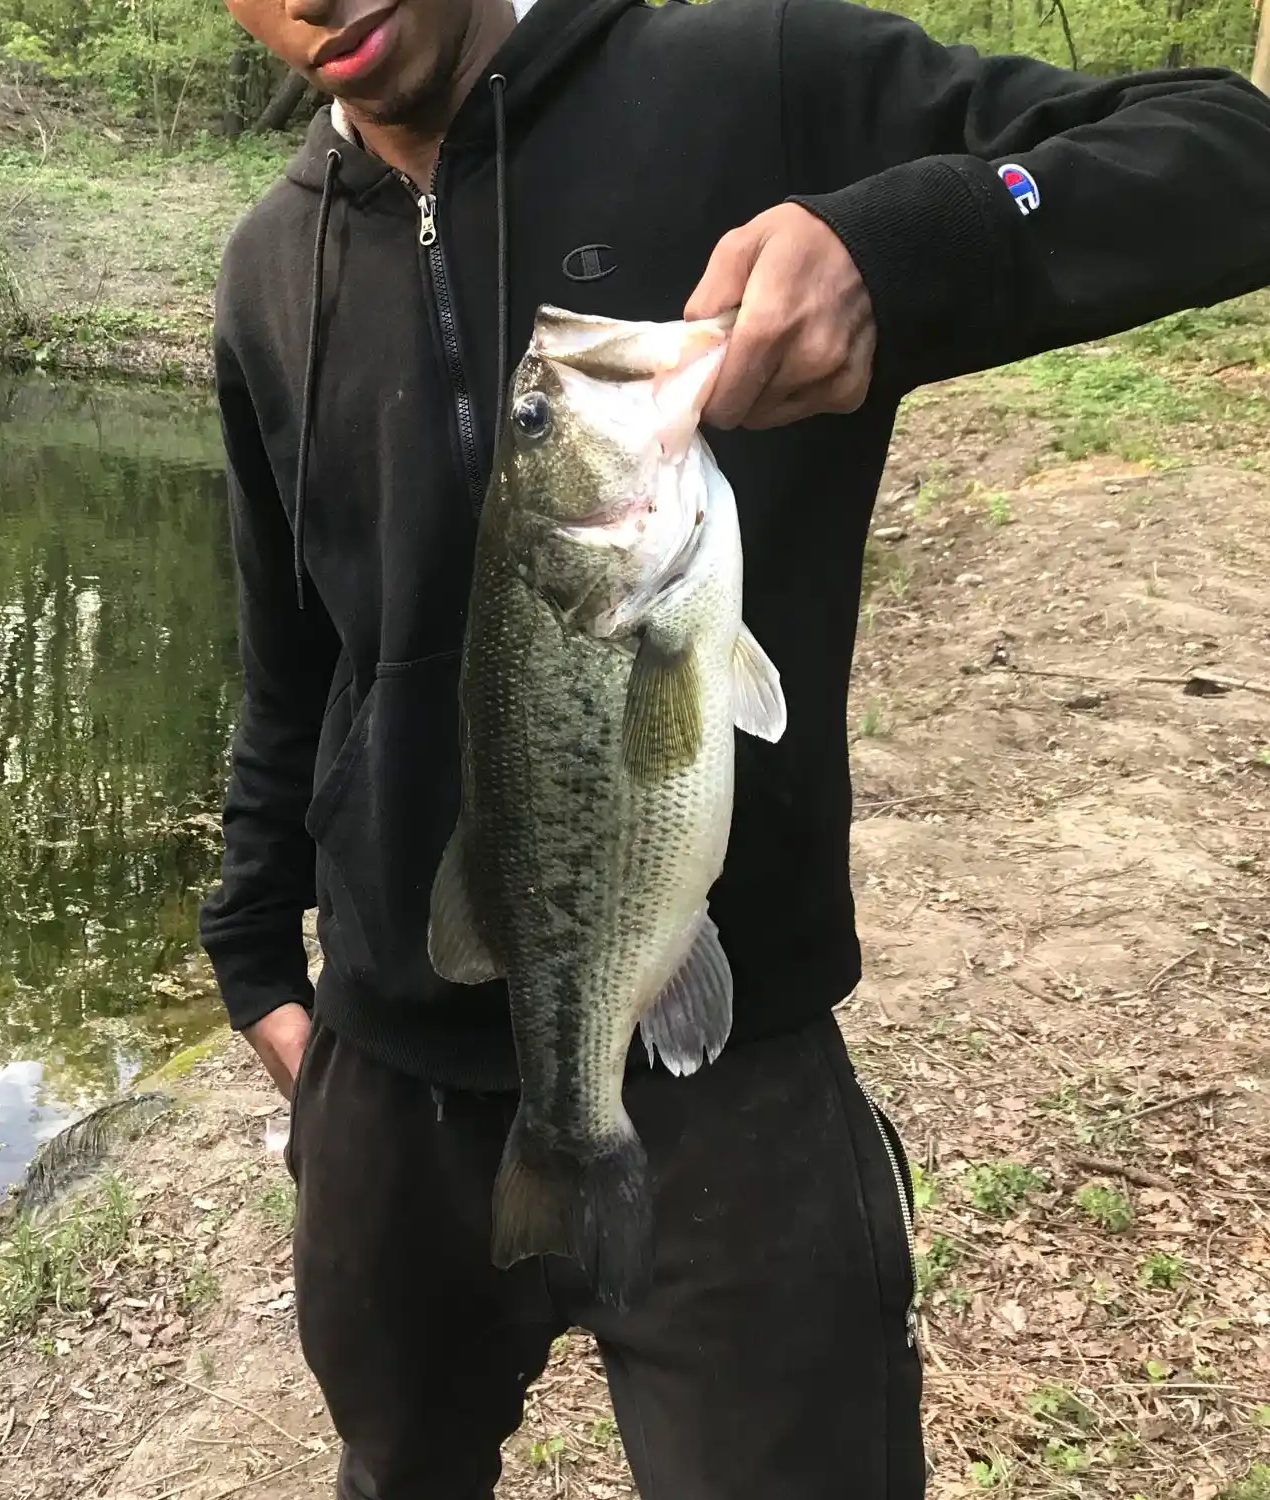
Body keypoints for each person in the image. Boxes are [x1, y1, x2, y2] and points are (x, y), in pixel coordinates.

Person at [198, 0, 1270, 1488]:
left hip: (731, 1053)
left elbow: (1231, 150)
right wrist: (254, 952)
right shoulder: (268, 268)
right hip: (390, 1077)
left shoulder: (750, 80)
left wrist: (900, 245)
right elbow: (293, 655)